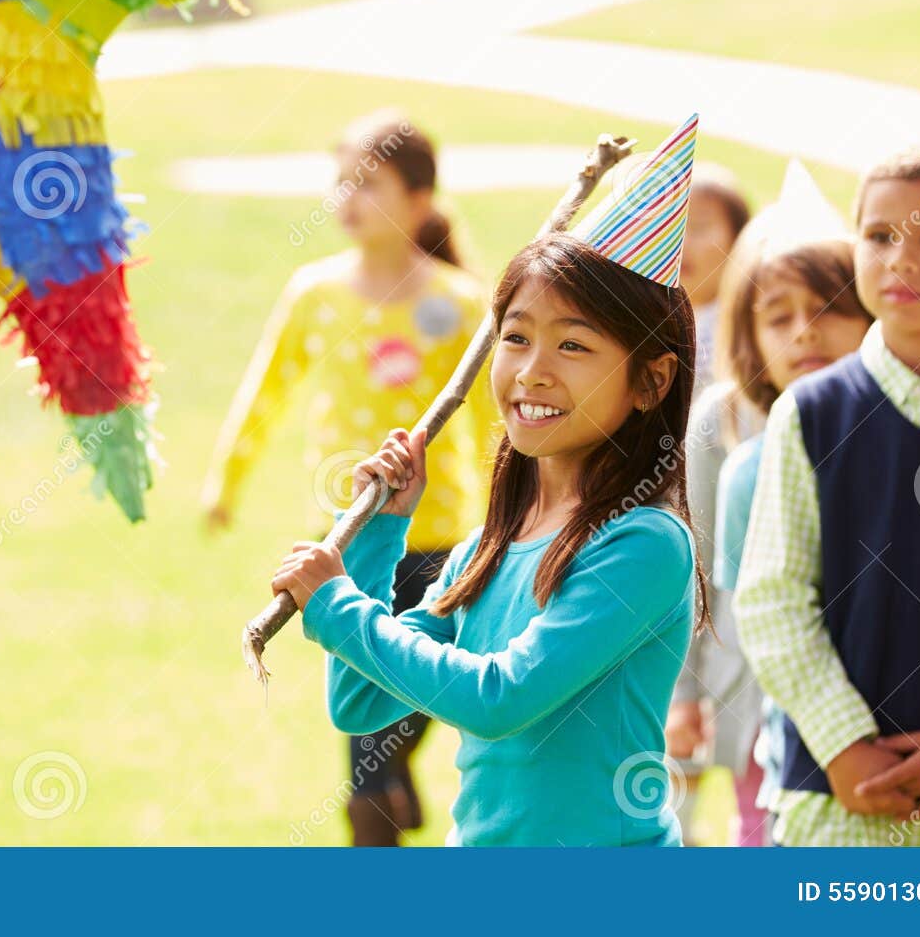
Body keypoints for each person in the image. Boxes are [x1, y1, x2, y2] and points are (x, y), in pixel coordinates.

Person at [270, 119, 706, 845]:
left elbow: (499, 698)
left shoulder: (645, 544)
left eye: (573, 344)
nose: (533, 369)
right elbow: (358, 701)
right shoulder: (491, 543)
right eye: (515, 335)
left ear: (650, 381)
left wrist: (336, 602)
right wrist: (379, 537)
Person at [203, 110, 496, 845]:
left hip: (440, 537)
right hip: (341, 541)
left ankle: (387, 784)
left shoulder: (461, 303)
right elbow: (265, 388)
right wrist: (224, 480)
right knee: (361, 730)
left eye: (369, 182)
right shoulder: (315, 292)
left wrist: (506, 515)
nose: (348, 197)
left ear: (421, 199)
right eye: (341, 181)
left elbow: (496, 422)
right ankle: (378, 815)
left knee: (420, 679)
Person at [735, 140, 920, 846]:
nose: (901, 258)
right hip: (833, 797)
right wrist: (844, 742)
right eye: (880, 236)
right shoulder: (808, 412)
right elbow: (771, 599)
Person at [670, 164, 867, 845]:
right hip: (750, 688)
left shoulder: (888, 427)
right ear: (748, 333)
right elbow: (693, 565)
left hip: (871, 688)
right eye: (778, 316)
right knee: (762, 830)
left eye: (829, 309)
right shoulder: (722, 424)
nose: (804, 333)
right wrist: (684, 690)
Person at [679, 165, 751, 399]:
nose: (682, 244)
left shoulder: (744, 326)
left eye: (698, 227)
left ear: (738, 239)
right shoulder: (642, 315)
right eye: (672, 231)